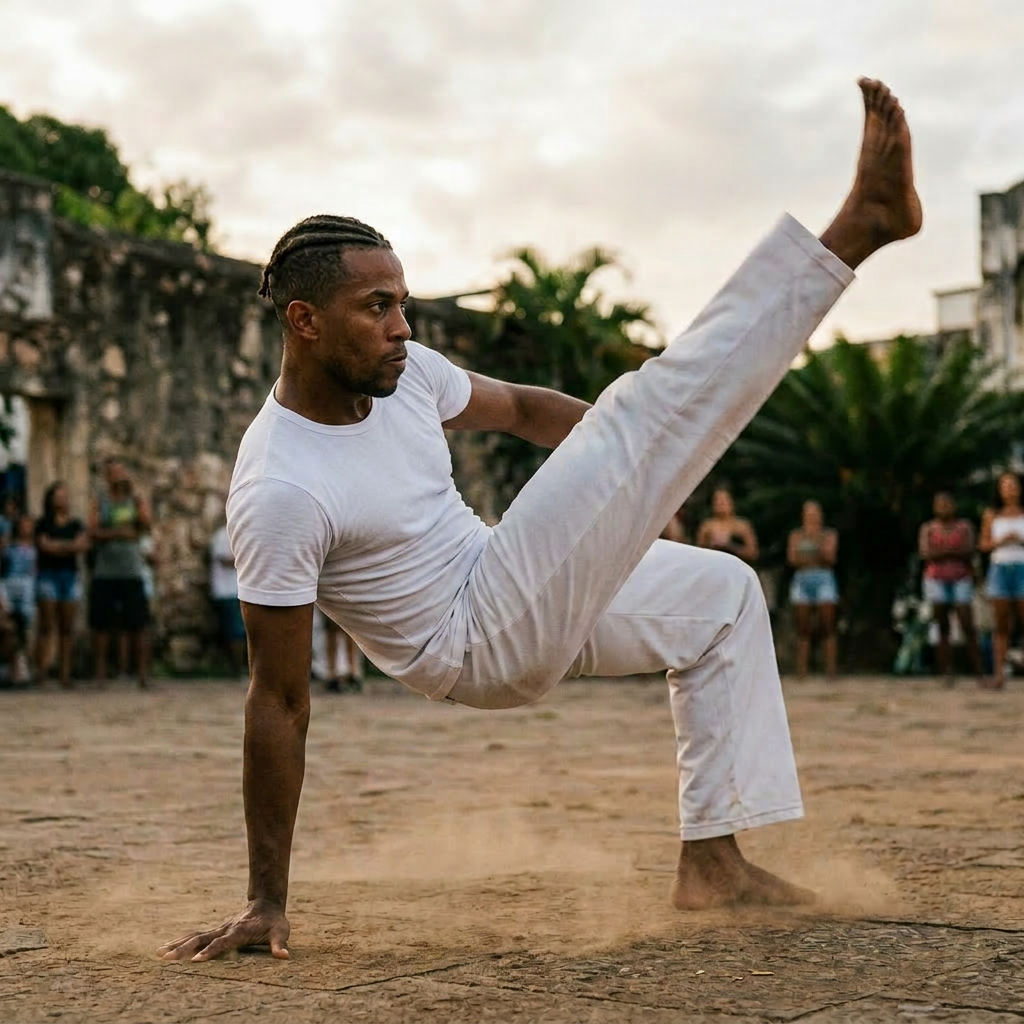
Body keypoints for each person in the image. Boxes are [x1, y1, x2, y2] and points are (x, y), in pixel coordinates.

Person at [159, 78, 922, 962]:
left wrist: (636, 482)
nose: (402, 326)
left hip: (504, 580)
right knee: (641, 414)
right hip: (471, 642)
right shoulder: (280, 487)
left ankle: (714, 862)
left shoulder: (405, 373)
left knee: (722, 596)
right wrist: (264, 900)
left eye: (403, 302)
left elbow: (522, 408)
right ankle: (858, 228)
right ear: (303, 321)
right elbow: (279, 700)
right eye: (377, 309)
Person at [88, 459, 152, 688]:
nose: (118, 476)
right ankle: (100, 673)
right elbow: (93, 531)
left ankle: (143, 673)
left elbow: (145, 525)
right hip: (105, 571)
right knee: (101, 624)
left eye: (121, 472)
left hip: (132, 570)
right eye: (114, 472)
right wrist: (122, 532)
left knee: (139, 623)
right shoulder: (100, 501)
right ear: (107, 476)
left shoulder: (135, 500)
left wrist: (135, 498)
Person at [919, 491, 984, 686]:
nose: (944, 507)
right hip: (936, 578)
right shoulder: (928, 527)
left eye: (947, 503)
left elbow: (969, 550)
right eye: (940, 504)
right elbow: (925, 553)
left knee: (967, 622)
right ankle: (946, 671)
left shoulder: (964, 526)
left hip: (961, 577)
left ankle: (979, 671)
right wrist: (952, 552)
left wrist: (942, 552)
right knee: (942, 624)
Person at [35, 482, 88, 689]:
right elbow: (44, 546)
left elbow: (82, 545)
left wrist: (58, 546)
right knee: (46, 626)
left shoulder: (76, 524)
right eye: (57, 496)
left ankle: (65, 674)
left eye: (64, 496)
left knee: (67, 628)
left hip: (69, 576)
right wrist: (70, 546)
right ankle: (42, 671)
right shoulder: (43, 523)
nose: (61, 500)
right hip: (48, 575)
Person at [979, 472, 1024, 689]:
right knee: (1002, 624)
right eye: (1005, 485)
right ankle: (999, 673)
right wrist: (1001, 541)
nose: (1009, 489)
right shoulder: (992, 514)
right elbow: (984, 545)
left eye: (1013, 485)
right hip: (1000, 567)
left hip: (1022, 566)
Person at [787, 500, 839, 678]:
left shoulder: (829, 534)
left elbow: (830, 557)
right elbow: (793, 559)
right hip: (802, 580)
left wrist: (809, 553)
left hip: (824, 579)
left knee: (827, 625)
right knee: (802, 627)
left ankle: (830, 671)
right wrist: (816, 554)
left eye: (814, 513)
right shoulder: (796, 535)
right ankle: (801, 671)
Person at [209, 520, 247, 677]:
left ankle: (241, 667)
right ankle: (237, 669)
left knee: (239, 631)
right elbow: (224, 560)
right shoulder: (222, 535)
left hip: (238, 590)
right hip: (227, 591)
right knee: (234, 632)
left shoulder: (240, 534)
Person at [2, 513, 37, 682]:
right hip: (9, 585)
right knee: (9, 624)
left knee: (24, 626)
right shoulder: (9, 548)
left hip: (28, 587)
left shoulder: (35, 547)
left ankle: (22, 667)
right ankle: (10, 666)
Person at [696, 487, 759, 563]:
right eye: (717, 501)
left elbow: (753, 554)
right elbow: (699, 554)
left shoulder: (742, 525)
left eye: (723, 501)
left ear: (731, 503)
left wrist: (730, 545)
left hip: (738, 566)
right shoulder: (707, 526)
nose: (720, 504)